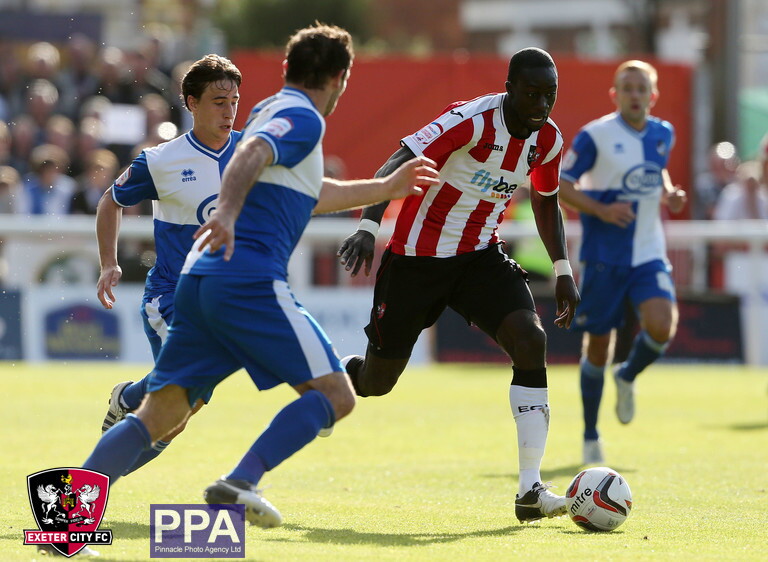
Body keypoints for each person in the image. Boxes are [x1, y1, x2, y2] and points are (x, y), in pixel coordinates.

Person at [81, 23, 439, 528]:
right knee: (336, 395)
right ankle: (241, 481)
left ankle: (64, 518)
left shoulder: (266, 110)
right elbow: (250, 156)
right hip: (248, 281)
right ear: (339, 78)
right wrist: (227, 212)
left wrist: (384, 188)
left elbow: (309, 192)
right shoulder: (301, 117)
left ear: (288, 67)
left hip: (201, 282)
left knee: (161, 416)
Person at [336, 47, 580, 524]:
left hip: (478, 259)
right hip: (416, 261)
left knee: (530, 340)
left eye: (549, 95)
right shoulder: (471, 121)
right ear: (509, 89)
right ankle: (335, 377)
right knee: (377, 383)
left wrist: (564, 269)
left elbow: (546, 200)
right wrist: (367, 226)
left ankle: (530, 489)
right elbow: (398, 161)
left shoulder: (548, 140)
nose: (541, 105)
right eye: (531, 94)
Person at [95, 54, 243, 475]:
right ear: (191, 103)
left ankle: (127, 399)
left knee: (179, 417)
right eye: (219, 101)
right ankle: (95, 485)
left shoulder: (253, 153)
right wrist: (108, 263)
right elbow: (110, 201)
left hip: (223, 304)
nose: (229, 111)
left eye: (234, 101)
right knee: (176, 405)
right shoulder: (161, 161)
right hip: (173, 298)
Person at [557, 60, 687, 465]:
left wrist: (669, 194)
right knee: (598, 347)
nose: (635, 95)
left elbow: (656, 173)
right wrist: (601, 209)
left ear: (653, 96)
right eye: (627, 88)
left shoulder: (663, 133)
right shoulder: (595, 135)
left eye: (641, 88)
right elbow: (561, 185)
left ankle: (627, 374)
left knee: (662, 325)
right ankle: (590, 435)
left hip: (648, 252)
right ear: (615, 95)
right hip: (603, 257)